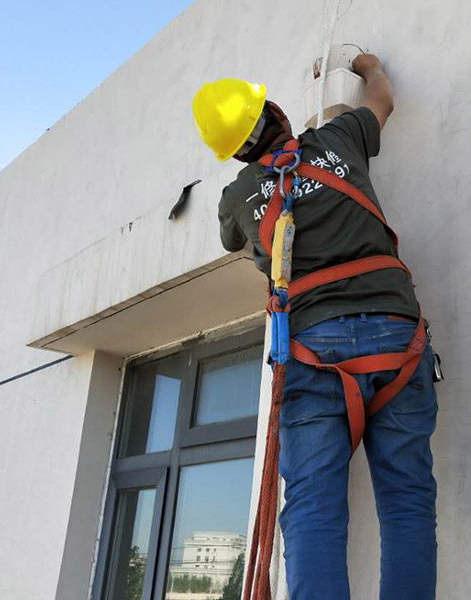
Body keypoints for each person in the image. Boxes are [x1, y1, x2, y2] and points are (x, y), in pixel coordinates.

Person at [193, 54, 439, 600]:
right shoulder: (339, 137)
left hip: (311, 353)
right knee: (407, 502)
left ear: (234, 151)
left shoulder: (235, 199)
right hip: (397, 340)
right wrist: (366, 64)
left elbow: (235, 241)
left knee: (312, 508)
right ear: (273, 108)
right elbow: (383, 98)